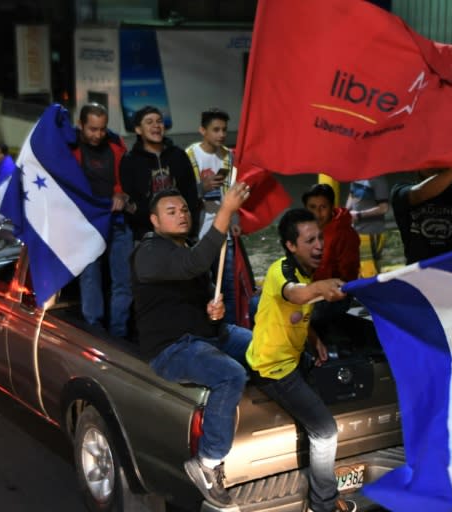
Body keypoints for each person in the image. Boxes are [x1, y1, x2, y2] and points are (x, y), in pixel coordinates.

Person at [131, 184, 252, 509]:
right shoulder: (150, 252)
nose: (181, 215)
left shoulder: (187, 249)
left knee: (264, 349)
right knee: (231, 375)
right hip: (172, 349)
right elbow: (194, 265)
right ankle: (208, 462)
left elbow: (206, 301)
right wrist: (225, 211)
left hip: (207, 336)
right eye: (171, 212)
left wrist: (216, 312)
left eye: (184, 209)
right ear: (155, 222)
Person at [245, 208, 356, 512]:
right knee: (325, 430)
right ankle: (323, 505)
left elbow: (298, 315)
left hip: (293, 361)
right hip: (273, 370)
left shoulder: (306, 272)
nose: (319, 245)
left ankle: (319, 480)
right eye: (310, 241)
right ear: (291, 246)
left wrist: (315, 340)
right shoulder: (281, 271)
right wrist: (321, 288)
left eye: (320, 237)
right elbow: (297, 296)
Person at [71, 103, 133, 338]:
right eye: (92, 129)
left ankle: (119, 335)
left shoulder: (116, 146)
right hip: (86, 224)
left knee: (123, 282)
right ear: (81, 126)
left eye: (102, 129)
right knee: (90, 278)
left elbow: (128, 180)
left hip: (117, 221)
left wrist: (123, 194)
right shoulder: (69, 148)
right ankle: (95, 333)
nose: (98, 134)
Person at [186, 108, 239, 323]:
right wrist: (202, 188)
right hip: (199, 235)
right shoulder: (189, 156)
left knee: (227, 286)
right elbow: (182, 194)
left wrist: (235, 221)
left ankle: (231, 330)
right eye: (216, 130)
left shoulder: (228, 157)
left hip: (223, 234)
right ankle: (202, 327)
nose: (221, 135)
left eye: (224, 130)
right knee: (199, 286)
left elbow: (232, 191)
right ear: (202, 130)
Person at [120, 105, 200, 241]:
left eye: (159, 121)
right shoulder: (130, 160)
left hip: (180, 234)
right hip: (146, 237)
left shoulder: (178, 155)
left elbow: (191, 194)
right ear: (138, 129)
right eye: (149, 122)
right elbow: (130, 202)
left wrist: (191, 231)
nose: (156, 125)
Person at [302, 183, 359, 337]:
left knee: (298, 316)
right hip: (308, 290)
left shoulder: (345, 234)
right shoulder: (303, 228)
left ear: (332, 207)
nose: (317, 213)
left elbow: (348, 276)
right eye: (312, 207)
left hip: (334, 295)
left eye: (323, 207)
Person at [346, 175, 390, 276]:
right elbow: (352, 195)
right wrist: (345, 212)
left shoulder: (378, 179)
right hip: (357, 231)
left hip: (371, 232)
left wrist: (359, 215)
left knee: (369, 272)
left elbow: (384, 208)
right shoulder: (355, 176)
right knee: (361, 270)